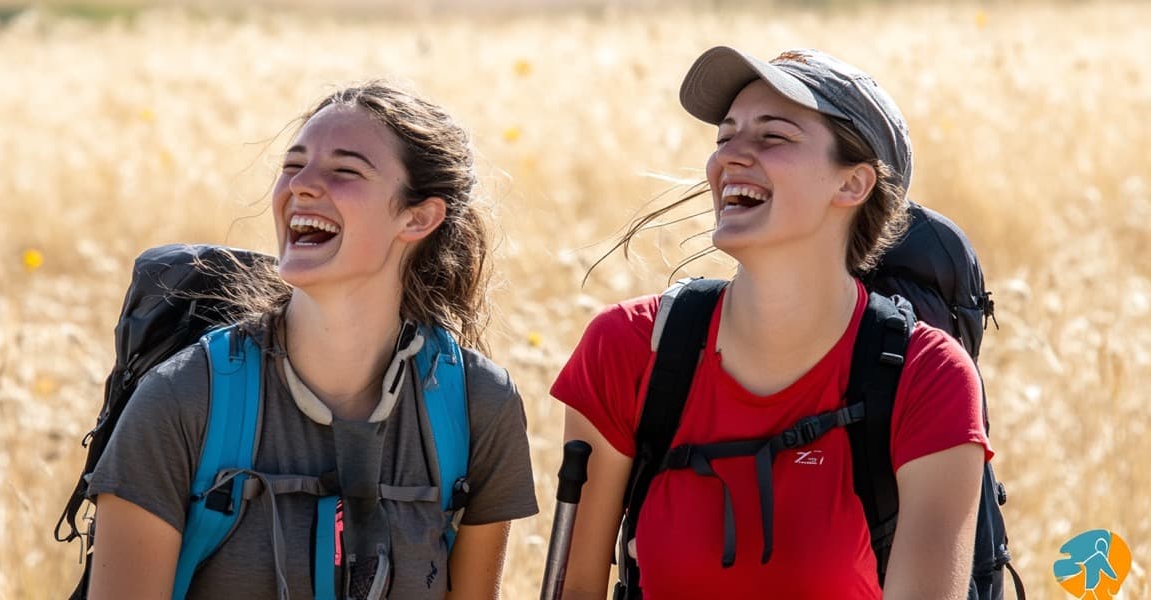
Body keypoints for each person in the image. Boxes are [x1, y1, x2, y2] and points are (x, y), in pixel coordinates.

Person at [551, 47, 992, 599]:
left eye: (772, 136)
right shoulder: (630, 348)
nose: (728, 158)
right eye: (724, 137)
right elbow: (575, 590)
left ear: (851, 185)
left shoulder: (927, 376)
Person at [86, 81, 538, 599]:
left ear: (418, 217)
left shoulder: (477, 404)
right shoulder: (183, 399)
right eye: (293, 165)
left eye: (344, 170)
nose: (301, 186)